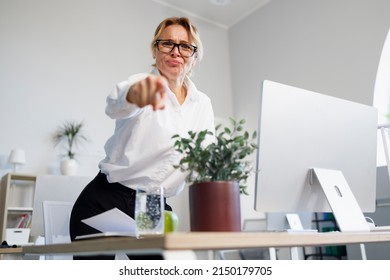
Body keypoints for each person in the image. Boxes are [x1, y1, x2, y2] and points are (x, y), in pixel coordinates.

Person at [69, 17, 215, 259]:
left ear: (194, 56)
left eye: (185, 46)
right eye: (167, 43)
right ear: (155, 50)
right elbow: (116, 104)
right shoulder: (143, 83)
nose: (176, 52)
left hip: (153, 207)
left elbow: (206, 157)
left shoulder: (202, 104)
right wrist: (135, 95)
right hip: (105, 201)